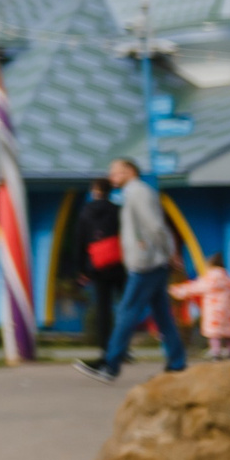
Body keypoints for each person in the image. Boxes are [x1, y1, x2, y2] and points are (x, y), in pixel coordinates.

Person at [80, 158, 187, 383]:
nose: (111, 177)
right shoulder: (132, 193)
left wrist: (170, 253)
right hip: (149, 261)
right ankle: (177, 363)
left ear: (129, 171)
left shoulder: (139, 192)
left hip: (147, 263)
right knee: (162, 316)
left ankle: (110, 364)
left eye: (115, 172)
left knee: (127, 311)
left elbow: (155, 226)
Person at [77, 178, 124, 347]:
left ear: (94, 191)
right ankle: (122, 346)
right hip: (118, 263)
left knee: (103, 308)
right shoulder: (117, 210)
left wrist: (82, 269)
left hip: (97, 265)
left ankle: (106, 347)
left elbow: (80, 241)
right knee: (124, 306)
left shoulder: (86, 212)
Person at [170, 253, 230, 363]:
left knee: (214, 334)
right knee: (228, 333)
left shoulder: (208, 279)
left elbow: (193, 288)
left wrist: (176, 290)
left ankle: (216, 353)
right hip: (228, 313)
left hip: (214, 314)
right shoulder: (227, 278)